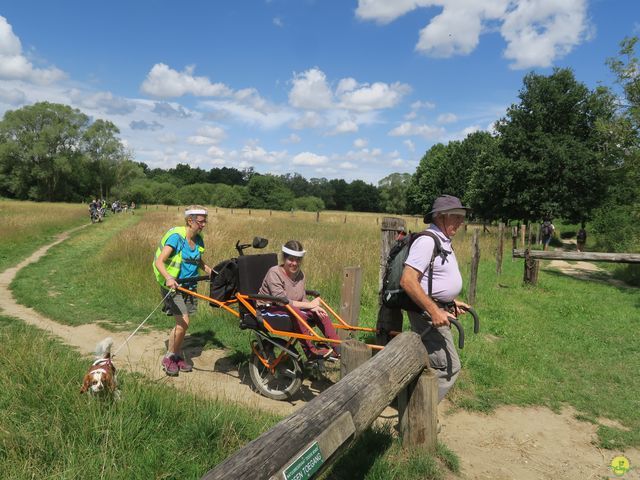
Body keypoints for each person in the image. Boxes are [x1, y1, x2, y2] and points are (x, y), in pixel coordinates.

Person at [399, 194, 471, 403]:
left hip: (436, 311)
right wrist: (434, 310)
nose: (461, 221)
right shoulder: (426, 241)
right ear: (440, 216)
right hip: (426, 316)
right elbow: (408, 280)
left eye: (462, 216)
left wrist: (449, 302)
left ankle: (416, 411)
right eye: (457, 216)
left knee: (433, 363)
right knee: (448, 366)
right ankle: (418, 416)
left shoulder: (442, 240)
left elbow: (433, 281)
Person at [153, 205, 212, 376]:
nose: (203, 225)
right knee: (183, 322)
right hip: (173, 286)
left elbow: (197, 260)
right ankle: (169, 358)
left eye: (204, 221)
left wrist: (209, 270)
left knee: (183, 326)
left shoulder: (199, 240)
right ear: (189, 221)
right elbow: (160, 262)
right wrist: (169, 278)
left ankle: (177, 355)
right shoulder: (176, 238)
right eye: (200, 222)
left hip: (190, 286)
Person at [258, 240, 340, 360]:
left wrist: (314, 307)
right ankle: (311, 352)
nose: (294, 263)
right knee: (296, 313)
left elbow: (301, 299)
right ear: (284, 259)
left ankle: (338, 348)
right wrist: (310, 305)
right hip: (268, 309)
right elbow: (282, 301)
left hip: (288, 308)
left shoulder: (300, 274)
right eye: (291, 259)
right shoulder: (274, 273)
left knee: (320, 313)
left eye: (298, 260)